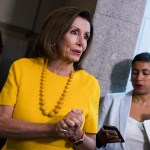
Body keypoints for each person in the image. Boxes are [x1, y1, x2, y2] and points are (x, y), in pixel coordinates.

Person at [0, 7, 100, 150]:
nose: (81, 42)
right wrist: (53, 129)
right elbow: (2, 125)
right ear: (55, 34)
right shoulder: (22, 68)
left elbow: (90, 147)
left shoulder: (91, 84)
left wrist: (77, 134)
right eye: (74, 32)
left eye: (86, 36)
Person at [96, 52, 150, 150]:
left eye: (145, 73)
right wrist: (99, 140)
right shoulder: (112, 100)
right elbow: (93, 140)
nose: (139, 78)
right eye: (134, 72)